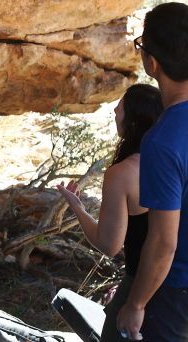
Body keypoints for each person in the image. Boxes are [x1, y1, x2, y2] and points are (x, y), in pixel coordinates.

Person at [57, 84, 163, 341]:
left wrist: (78, 208)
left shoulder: (123, 173)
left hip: (140, 286)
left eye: (122, 105)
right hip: (175, 285)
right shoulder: (172, 159)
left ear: (134, 119)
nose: (115, 109)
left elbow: (109, 244)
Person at [117, 2, 188, 341]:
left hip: (176, 296)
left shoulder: (162, 141)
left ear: (151, 62)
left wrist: (136, 303)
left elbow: (163, 243)